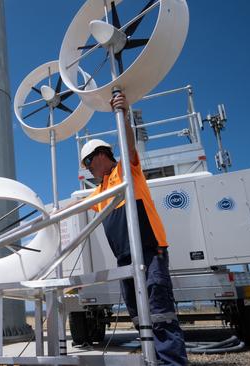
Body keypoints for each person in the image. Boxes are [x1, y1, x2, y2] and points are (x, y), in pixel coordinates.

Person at [80, 93, 187, 365]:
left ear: (101, 155)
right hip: (125, 258)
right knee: (139, 314)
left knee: (159, 311)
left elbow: (128, 148)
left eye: (88, 162)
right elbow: (75, 207)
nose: (87, 169)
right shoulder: (101, 190)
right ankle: (153, 358)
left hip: (150, 251)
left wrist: (124, 115)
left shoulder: (126, 171)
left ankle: (171, 362)